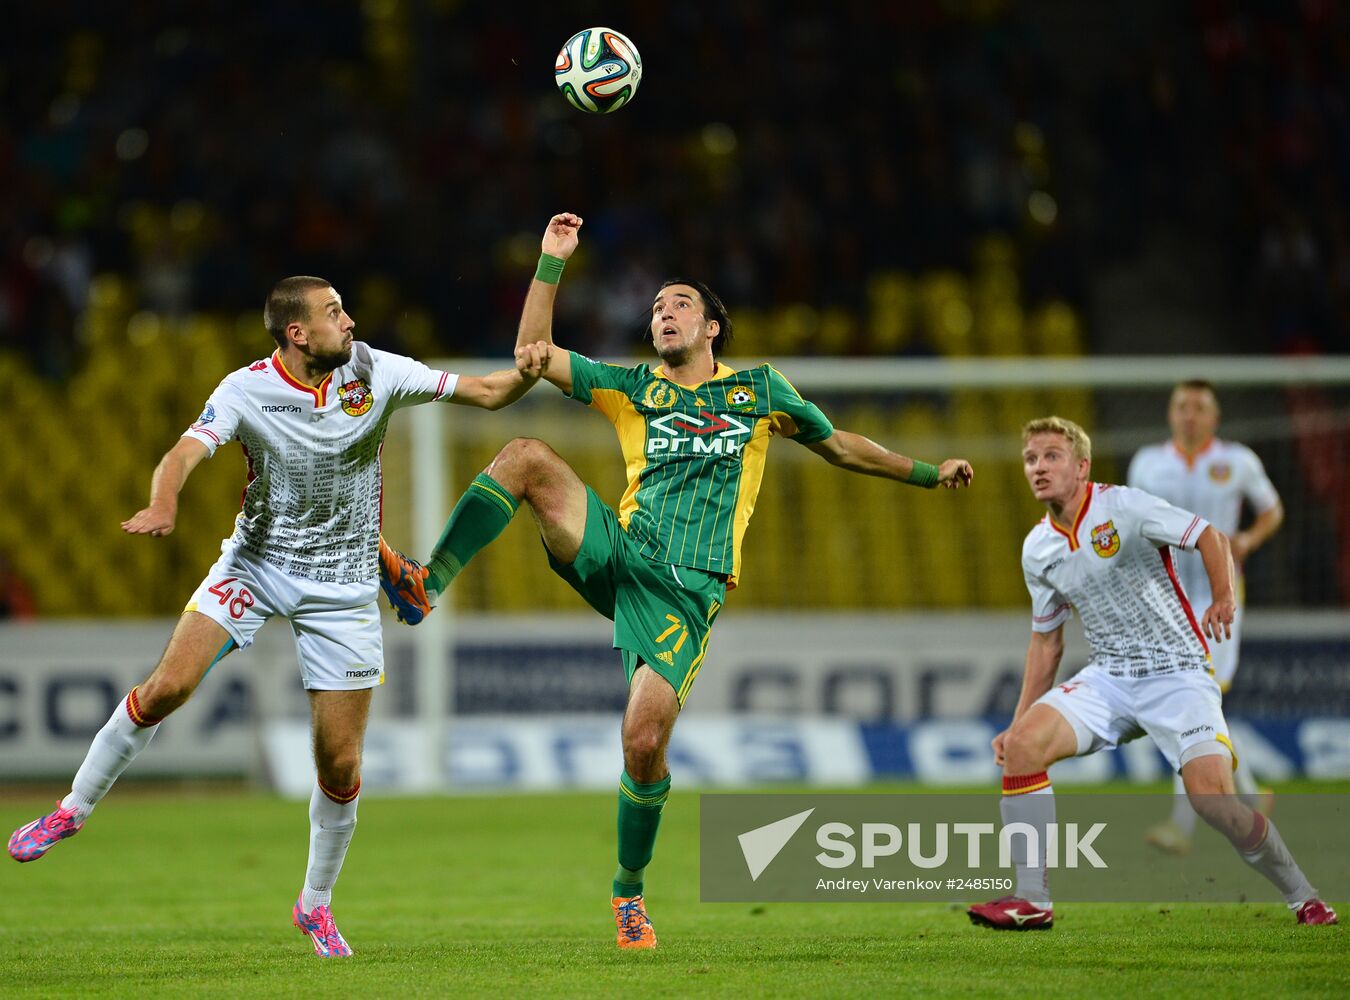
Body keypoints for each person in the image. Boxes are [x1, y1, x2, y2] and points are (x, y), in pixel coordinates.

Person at [377, 212, 975, 949]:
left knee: (642, 742)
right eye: (656, 306)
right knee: (526, 455)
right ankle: (426, 582)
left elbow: (842, 446)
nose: (663, 312)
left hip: (687, 591)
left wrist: (927, 473)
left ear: (712, 327)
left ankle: (628, 891)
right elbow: (533, 355)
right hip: (622, 551)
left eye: (680, 303)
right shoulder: (633, 386)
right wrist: (551, 260)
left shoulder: (761, 390)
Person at [7, 276, 552, 957]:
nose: (349, 321)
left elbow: (490, 391)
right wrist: (165, 502)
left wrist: (532, 367)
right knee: (167, 687)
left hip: (344, 586)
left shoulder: (375, 371)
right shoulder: (246, 389)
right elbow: (183, 452)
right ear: (297, 333)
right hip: (256, 566)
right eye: (333, 312)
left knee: (341, 762)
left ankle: (315, 905)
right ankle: (71, 810)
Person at [967, 416, 1335, 930]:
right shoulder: (1037, 548)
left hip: (1178, 674)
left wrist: (1223, 598)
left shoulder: (1124, 507)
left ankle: (1304, 896)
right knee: (1024, 747)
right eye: (1031, 459)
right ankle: (1032, 900)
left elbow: (1209, 535)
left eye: (1051, 456)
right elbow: (1047, 642)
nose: (1039, 467)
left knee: (1216, 805)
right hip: (1111, 677)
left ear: (1081, 466)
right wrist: (1017, 722)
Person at [1127, 380, 1285, 855]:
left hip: (1221, 596)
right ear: (1170, 414)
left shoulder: (1237, 461)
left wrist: (1249, 539)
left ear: (1214, 418)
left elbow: (1272, 510)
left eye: (1198, 407)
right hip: (1168, 600)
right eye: (1181, 406)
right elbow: (1130, 524)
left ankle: (1183, 824)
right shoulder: (1147, 463)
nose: (1189, 414)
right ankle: (1251, 795)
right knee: (1195, 704)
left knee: (1191, 703)